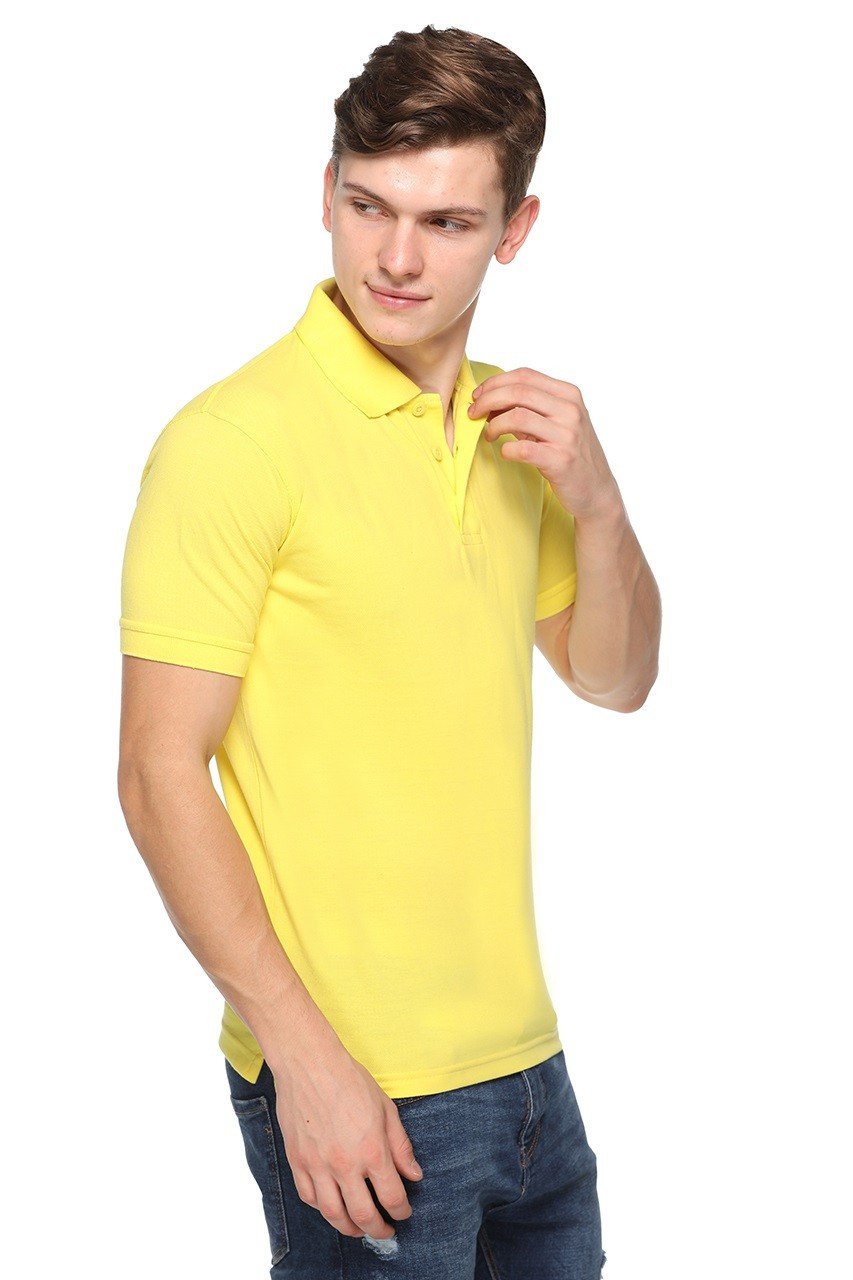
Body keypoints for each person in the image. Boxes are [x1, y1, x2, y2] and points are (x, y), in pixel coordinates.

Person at [117, 23, 660, 1280]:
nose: (397, 257)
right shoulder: (233, 442)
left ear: (515, 229)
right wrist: (303, 1059)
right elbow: (156, 772)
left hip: (529, 1071)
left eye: (447, 222)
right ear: (326, 192)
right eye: (368, 207)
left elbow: (616, 678)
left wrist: (599, 507)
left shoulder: (512, 433)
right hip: (359, 1083)